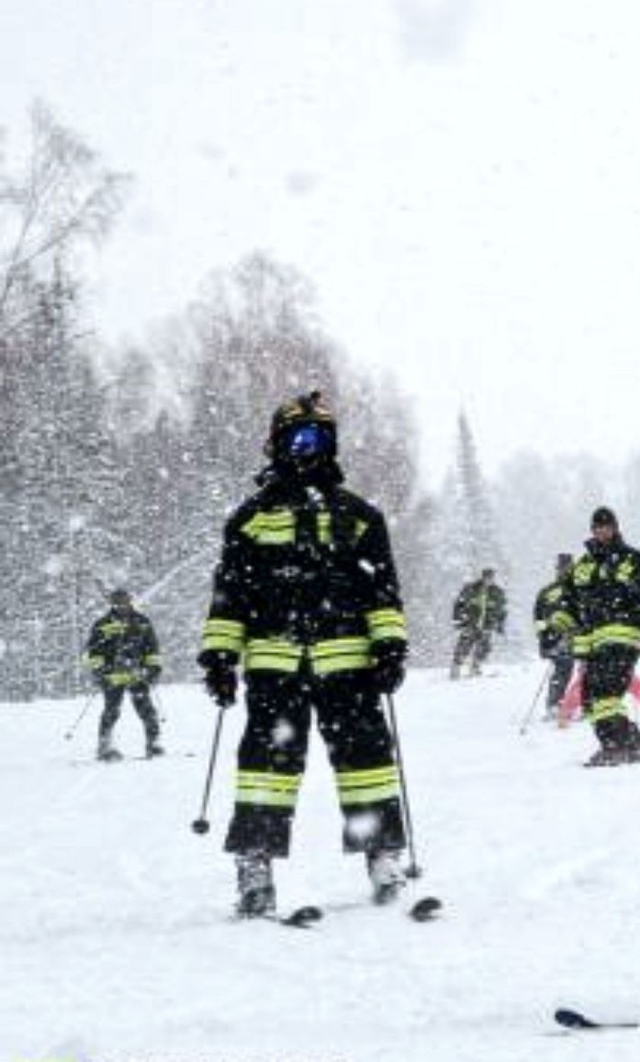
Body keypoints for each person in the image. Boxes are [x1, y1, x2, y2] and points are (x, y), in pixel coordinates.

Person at [196, 391, 411, 918]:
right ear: (277, 443)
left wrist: (390, 645)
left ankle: (383, 855)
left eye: (318, 438)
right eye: (298, 437)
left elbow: (383, 590)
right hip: (275, 664)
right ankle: (255, 865)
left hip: (349, 664)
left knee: (367, 762)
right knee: (267, 767)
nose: (307, 447)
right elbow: (230, 598)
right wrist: (220, 658)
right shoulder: (251, 519)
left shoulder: (359, 516)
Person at [556, 507, 640, 766]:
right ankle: (632, 745)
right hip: (591, 644)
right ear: (592, 530)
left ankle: (616, 747)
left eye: (607, 526)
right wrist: (562, 624)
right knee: (590, 699)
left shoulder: (634, 560)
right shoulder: (583, 566)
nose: (602, 531)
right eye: (597, 527)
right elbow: (568, 602)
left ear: (616, 528)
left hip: (623, 639)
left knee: (606, 693)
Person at [83, 588, 164, 761]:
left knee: (147, 710)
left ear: (130, 601)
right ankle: (105, 745)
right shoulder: (102, 624)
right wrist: (101, 672)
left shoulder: (143, 622)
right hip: (112, 676)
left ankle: (154, 743)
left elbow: (152, 649)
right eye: (117, 602)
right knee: (111, 710)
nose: (121, 605)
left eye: (124, 601)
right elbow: (94, 652)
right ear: (112, 603)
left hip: (138, 674)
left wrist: (152, 671)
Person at [532, 553, 576, 720]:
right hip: (554, 639)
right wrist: (544, 638)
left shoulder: (582, 589)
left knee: (585, 672)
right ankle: (554, 705)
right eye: (562, 568)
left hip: (580, 638)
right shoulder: (547, 591)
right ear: (557, 569)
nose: (565, 571)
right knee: (563, 670)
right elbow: (538, 618)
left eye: (569, 568)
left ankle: (584, 704)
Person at [450, 567, 506, 678]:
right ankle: (456, 667)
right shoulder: (471, 589)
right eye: (486, 577)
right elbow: (459, 604)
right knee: (464, 645)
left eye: (490, 577)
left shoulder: (497, 592)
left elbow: (502, 610)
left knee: (484, 647)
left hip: (487, 624)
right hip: (470, 622)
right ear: (482, 576)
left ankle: (475, 667)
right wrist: (458, 619)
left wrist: (500, 624)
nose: (488, 580)